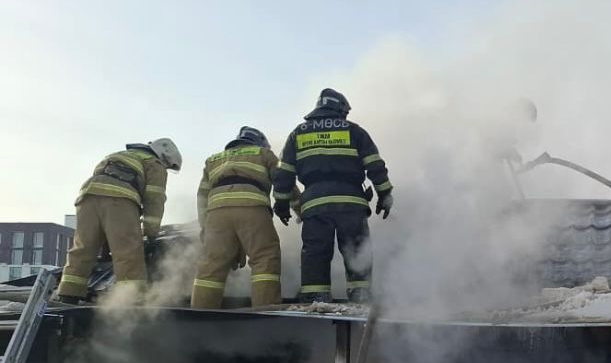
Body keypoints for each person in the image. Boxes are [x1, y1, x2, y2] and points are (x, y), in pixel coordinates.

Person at [273, 88, 393, 303]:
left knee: (315, 252)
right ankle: (360, 294)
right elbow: (375, 165)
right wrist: (385, 194)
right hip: (351, 204)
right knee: (357, 249)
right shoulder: (354, 131)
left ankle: (315, 296)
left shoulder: (298, 134)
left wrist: (281, 203)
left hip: (315, 205)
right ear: (340, 109)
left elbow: (284, 173)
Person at [56, 138, 182, 304]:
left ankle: (68, 294)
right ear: (164, 156)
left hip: (87, 198)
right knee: (128, 252)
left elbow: (100, 181)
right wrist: (151, 233)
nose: (165, 168)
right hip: (119, 200)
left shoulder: (116, 156)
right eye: (167, 165)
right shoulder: (154, 164)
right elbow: (154, 200)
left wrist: (106, 241)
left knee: (83, 249)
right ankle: (133, 299)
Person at [190, 127, 287, 309]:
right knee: (264, 258)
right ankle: (266, 311)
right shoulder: (263, 153)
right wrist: (299, 208)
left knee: (211, 265)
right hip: (252, 208)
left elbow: (202, 196)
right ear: (259, 143)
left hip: (217, 215)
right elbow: (283, 180)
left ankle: (200, 312)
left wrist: (205, 226)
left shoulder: (213, 160)